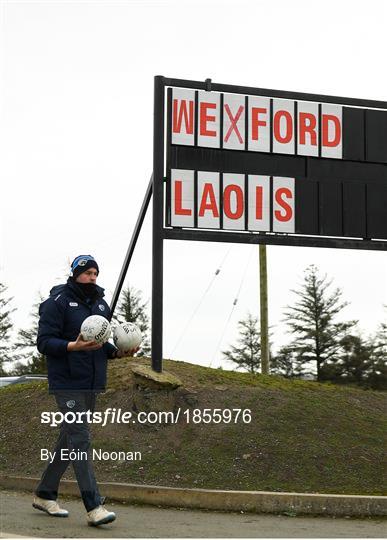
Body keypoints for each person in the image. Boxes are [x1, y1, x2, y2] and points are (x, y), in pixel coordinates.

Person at [33, 255, 135, 527]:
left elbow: (100, 344)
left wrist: (118, 353)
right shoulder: (57, 303)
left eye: (95, 273)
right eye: (88, 272)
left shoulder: (100, 304)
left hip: (91, 383)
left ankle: (45, 493)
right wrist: (71, 347)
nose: (92, 277)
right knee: (80, 441)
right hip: (66, 383)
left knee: (69, 442)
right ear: (76, 274)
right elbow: (44, 342)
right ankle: (94, 506)